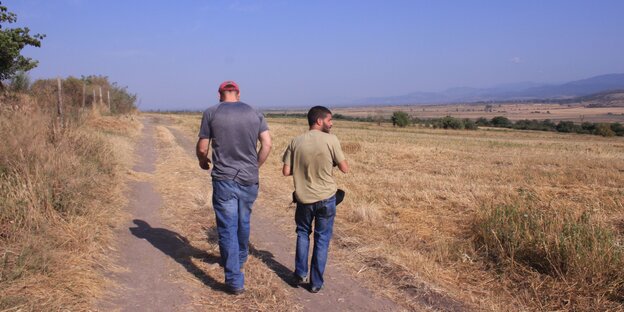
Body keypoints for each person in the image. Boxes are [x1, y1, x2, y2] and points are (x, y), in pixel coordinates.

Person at [196, 81, 272, 295]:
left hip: (224, 179)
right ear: (238, 94)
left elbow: (203, 147)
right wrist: (255, 166)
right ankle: (239, 258)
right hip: (249, 178)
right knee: (243, 220)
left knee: (227, 226)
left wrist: (203, 161)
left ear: (220, 95)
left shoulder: (211, 112)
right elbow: (267, 144)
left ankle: (234, 279)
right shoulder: (254, 112)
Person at [281, 106, 349, 293]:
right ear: (319, 121)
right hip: (327, 199)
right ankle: (316, 283)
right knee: (322, 240)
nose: (332, 123)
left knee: (303, 234)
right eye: (330, 120)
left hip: (304, 199)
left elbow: (286, 171)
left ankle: (300, 273)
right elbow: (345, 168)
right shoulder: (331, 140)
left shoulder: (296, 141)